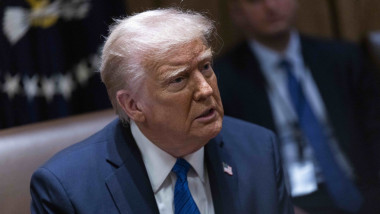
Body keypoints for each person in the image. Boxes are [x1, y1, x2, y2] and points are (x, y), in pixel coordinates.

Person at [30, 8, 294, 214]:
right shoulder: (67, 189)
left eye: (205, 67)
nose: (205, 90)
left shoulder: (259, 151)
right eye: (178, 80)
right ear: (133, 105)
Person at [214, 0, 380, 213]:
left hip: (361, 189)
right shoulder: (223, 80)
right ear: (236, 13)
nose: (270, 7)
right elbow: (231, 163)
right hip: (287, 202)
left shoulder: (344, 58)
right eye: (255, 1)